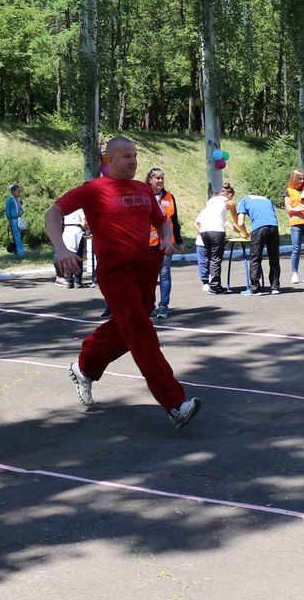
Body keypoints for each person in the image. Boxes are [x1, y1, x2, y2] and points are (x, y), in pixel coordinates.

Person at [46, 138, 200, 428]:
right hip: (115, 272)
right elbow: (52, 213)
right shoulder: (93, 190)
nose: (133, 161)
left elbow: (162, 221)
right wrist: (62, 249)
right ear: (111, 160)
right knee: (141, 332)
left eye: (135, 156)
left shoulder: (143, 189)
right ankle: (174, 403)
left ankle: (85, 366)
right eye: (127, 157)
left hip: (145, 267)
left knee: (127, 326)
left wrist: (167, 238)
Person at [146, 168, 184, 319]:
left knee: (165, 275)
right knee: (148, 277)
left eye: (162, 178)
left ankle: (163, 306)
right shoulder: (143, 196)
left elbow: (174, 220)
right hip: (147, 243)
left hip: (166, 244)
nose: (160, 181)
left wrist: (179, 241)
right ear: (150, 180)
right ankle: (149, 305)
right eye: (157, 178)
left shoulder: (169, 197)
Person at [195, 182, 243, 294]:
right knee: (216, 259)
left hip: (204, 231)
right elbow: (236, 220)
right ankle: (215, 286)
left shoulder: (211, 200)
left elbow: (225, 221)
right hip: (216, 231)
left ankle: (212, 283)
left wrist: (237, 231)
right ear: (230, 195)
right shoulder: (229, 202)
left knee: (212, 258)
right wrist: (243, 232)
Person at [237, 191, 281, 295]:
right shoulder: (267, 200)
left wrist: (245, 233)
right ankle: (275, 287)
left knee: (255, 258)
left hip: (259, 227)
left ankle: (255, 288)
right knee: (274, 258)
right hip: (274, 227)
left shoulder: (244, 200)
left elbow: (240, 222)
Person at [285, 169, 304, 284]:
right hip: (296, 222)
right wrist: (301, 208)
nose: (302, 181)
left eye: (303, 179)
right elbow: (289, 208)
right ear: (294, 178)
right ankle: (294, 273)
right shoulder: (288, 191)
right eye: (300, 179)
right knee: (296, 248)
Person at [61, 207, 88, 288]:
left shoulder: (65, 208)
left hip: (67, 230)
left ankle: (69, 280)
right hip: (77, 230)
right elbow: (84, 222)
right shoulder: (80, 209)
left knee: (67, 256)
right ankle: (77, 280)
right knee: (78, 256)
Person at [5, 184, 27, 256]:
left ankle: (16, 251)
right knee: (17, 235)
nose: (19, 193)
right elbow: (7, 211)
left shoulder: (17, 200)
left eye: (20, 191)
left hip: (18, 219)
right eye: (18, 191)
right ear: (13, 191)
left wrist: (21, 212)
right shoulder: (9, 200)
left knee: (17, 236)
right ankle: (21, 252)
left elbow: (21, 209)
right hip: (13, 220)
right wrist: (9, 221)